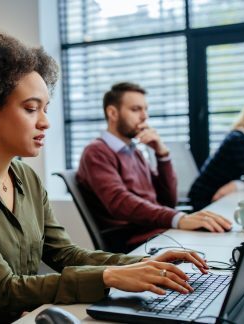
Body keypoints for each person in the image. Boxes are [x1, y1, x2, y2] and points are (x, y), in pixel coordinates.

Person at [0, 29, 210, 323]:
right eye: (30, 109)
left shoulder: (25, 177)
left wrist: (141, 263)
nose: (45, 123)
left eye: (45, 109)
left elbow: (64, 254)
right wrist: (111, 276)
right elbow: (3, 289)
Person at [76, 82, 232, 253]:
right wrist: (177, 218)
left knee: (221, 236)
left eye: (145, 109)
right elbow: (120, 202)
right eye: (136, 109)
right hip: (135, 242)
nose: (144, 116)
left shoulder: (134, 152)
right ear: (112, 113)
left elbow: (168, 201)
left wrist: (162, 154)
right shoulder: (96, 152)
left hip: (156, 233)